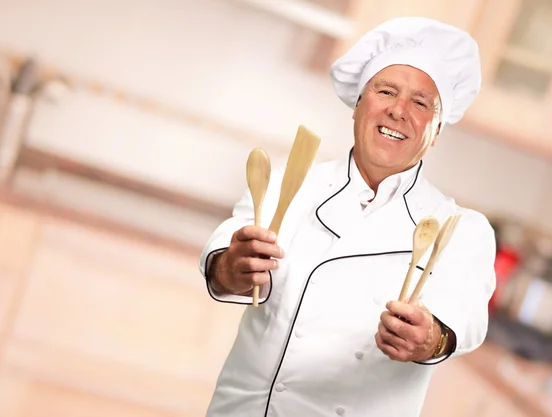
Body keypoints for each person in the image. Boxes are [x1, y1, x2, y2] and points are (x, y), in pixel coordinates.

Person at [198, 17, 496, 417]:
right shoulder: (290, 183)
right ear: (357, 106)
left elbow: (464, 319)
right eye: (386, 91)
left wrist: (431, 339)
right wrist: (229, 267)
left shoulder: (459, 229)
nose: (398, 111)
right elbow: (227, 249)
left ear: (437, 129)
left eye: (421, 102)